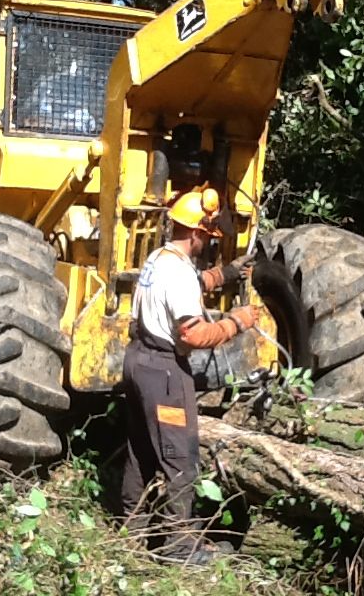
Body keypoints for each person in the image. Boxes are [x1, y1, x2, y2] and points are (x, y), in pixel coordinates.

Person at [120, 187, 257, 564]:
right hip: (164, 371)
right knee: (180, 458)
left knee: (142, 449)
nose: (207, 243)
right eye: (207, 237)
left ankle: (133, 530)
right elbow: (193, 334)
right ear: (196, 233)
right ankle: (179, 549)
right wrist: (236, 323)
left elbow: (187, 284)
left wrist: (225, 274)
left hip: (137, 361)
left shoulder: (157, 259)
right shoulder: (178, 272)